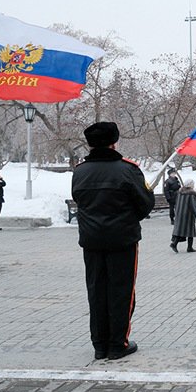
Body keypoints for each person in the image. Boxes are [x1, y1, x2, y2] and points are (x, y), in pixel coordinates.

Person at [72, 122, 155, 360]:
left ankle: (100, 345)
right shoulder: (128, 170)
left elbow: (79, 199)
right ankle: (118, 344)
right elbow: (144, 206)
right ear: (114, 142)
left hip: (91, 240)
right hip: (123, 240)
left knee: (96, 290)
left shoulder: (80, 171)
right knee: (121, 291)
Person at [170, 179, 196, 253]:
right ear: (190, 185)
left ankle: (174, 244)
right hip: (188, 215)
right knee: (190, 232)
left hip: (180, 214)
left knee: (180, 230)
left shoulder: (180, 192)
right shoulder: (191, 194)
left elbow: (176, 203)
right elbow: (193, 206)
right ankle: (189, 247)